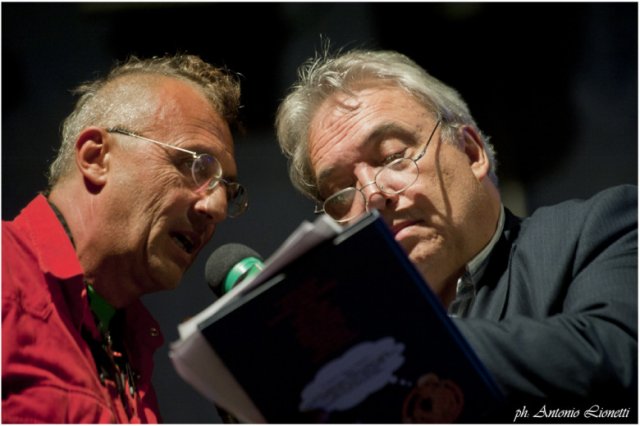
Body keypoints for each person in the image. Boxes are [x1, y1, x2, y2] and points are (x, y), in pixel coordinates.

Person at [275, 48, 637, 421]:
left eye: (392, 156)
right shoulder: (348, 331)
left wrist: (410, 341)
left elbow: (619, 359)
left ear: (471, 151)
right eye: (341, 191)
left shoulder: (601, 228)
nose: (372, 196)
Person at [2, 54, 248, 423]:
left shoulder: (131, 347)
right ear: (95, 157)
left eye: (227, 190)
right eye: (196, 166)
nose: (217, 208)